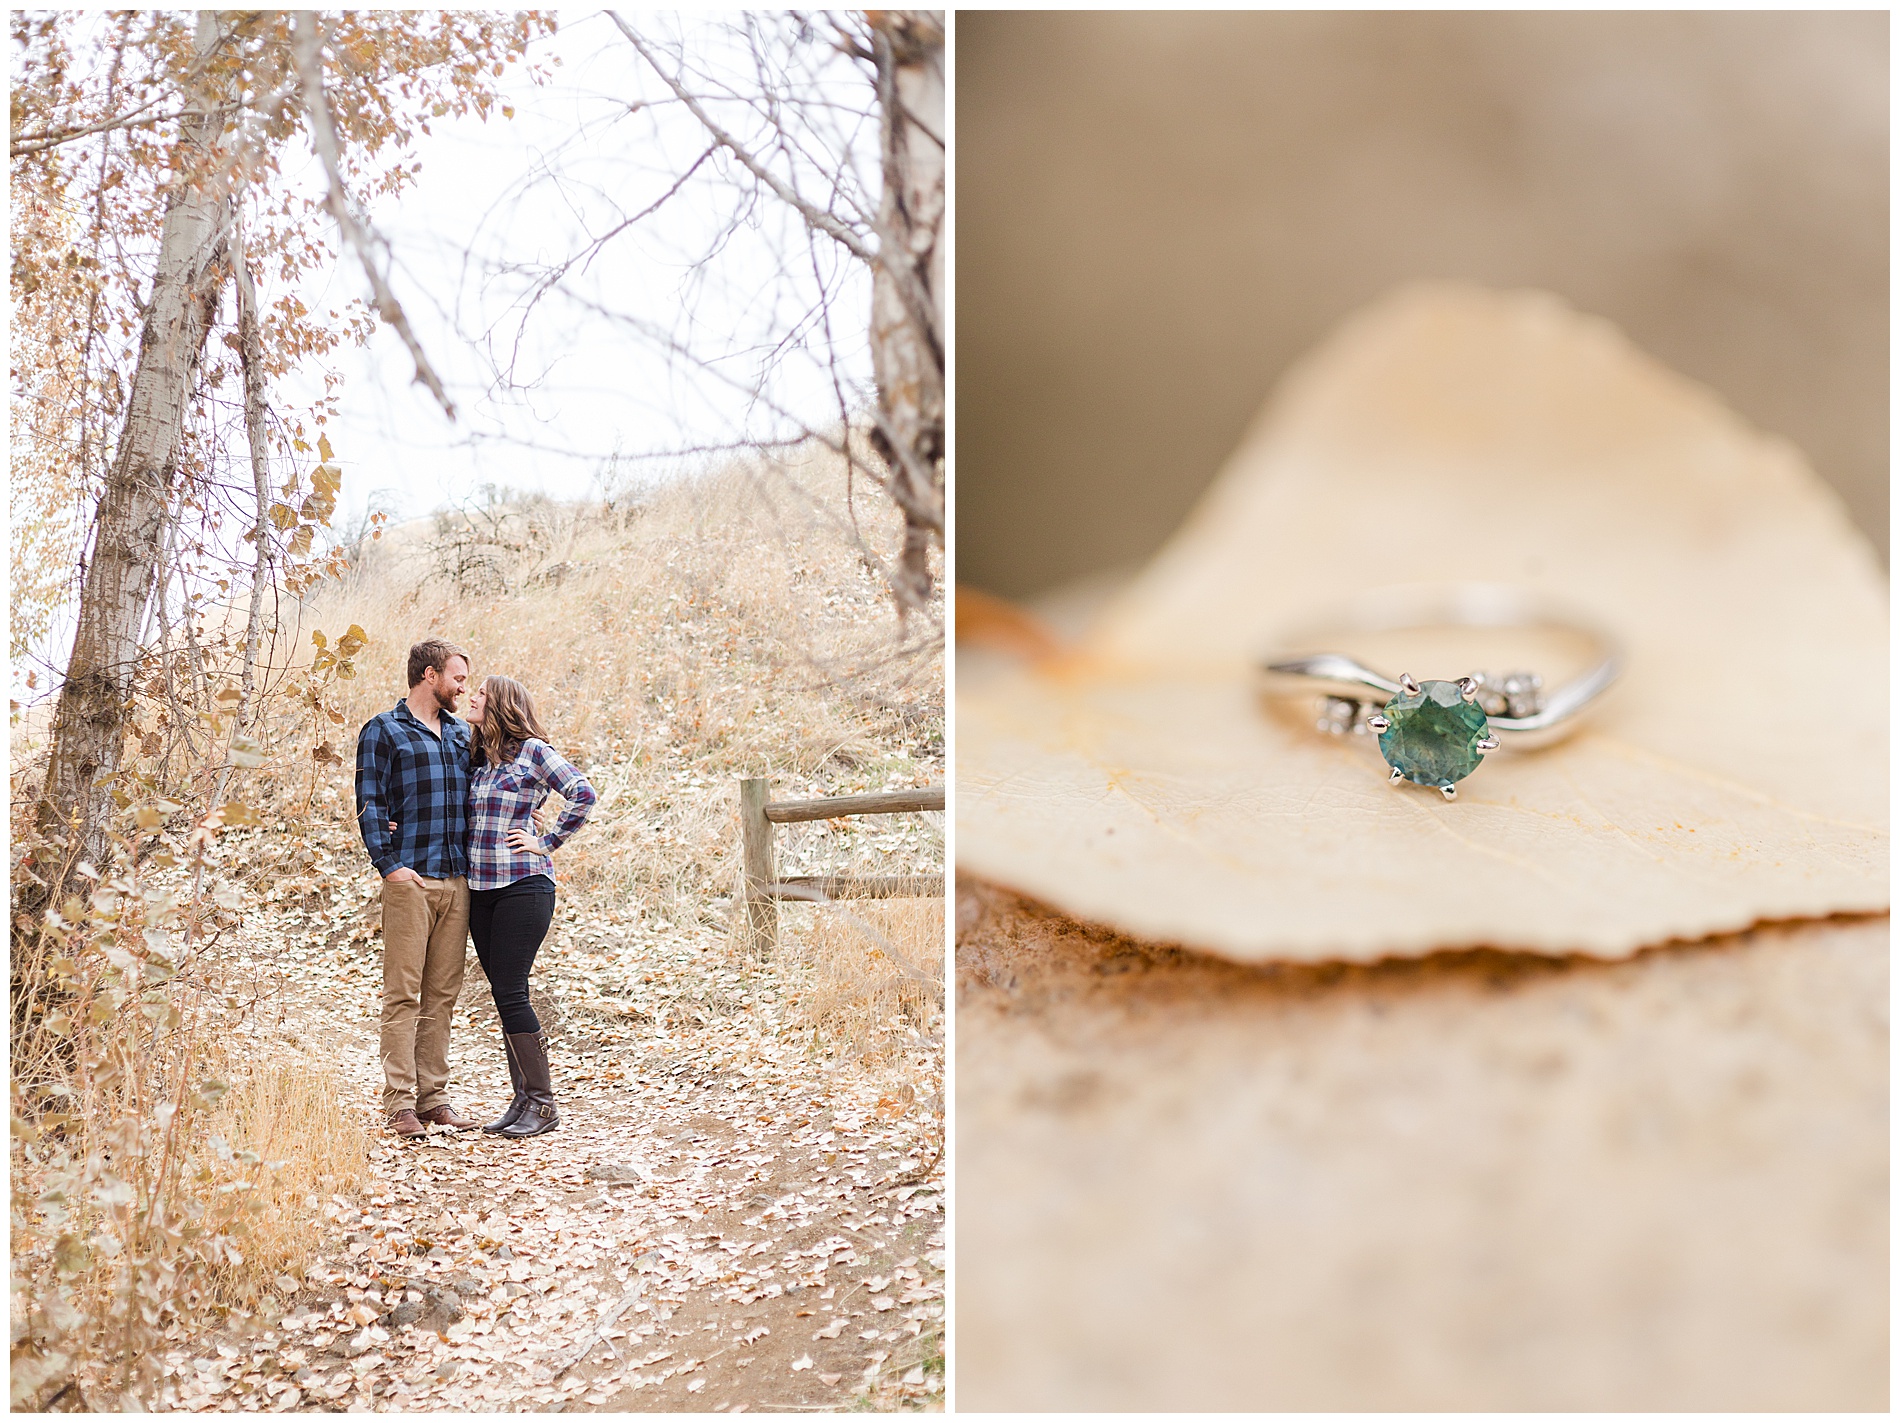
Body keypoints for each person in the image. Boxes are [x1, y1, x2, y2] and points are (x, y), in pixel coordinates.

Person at [353, 638, 478, 1139]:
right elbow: (369, 803)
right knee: (403, 996)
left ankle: (433, 1100)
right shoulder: (384, 730)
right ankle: (399, 1104)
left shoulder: (459, 735)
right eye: (458, 678)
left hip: (456, 881)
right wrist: (388, 866)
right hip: (410, 881)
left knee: (441, 997)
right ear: (430, 676)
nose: (462, 688)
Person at [464, 674, 597, 1139]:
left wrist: (546, 841)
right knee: (503, 992)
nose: (471, 698)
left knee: (513, 990)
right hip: (481, 890)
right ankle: (522, 1100)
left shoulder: (535, 753)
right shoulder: (477, 758)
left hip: (524, 885)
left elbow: (583, 793)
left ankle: (543, 1104)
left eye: (479, 693)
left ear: (500, 703)